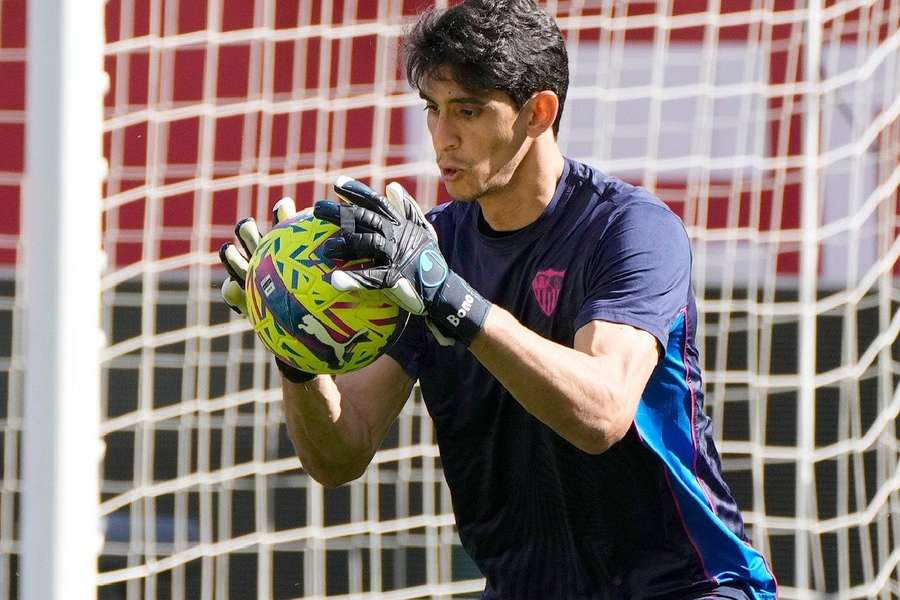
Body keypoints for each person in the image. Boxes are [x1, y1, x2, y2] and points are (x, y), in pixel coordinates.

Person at [220, 1, 778, 598]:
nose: (443, 137)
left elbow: (603, 413)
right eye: (433, 110)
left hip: (686, 585)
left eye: (467, 110)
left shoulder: (631, 230)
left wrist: (451, 300)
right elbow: (340, 453)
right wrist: (298, 350)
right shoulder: (427, 252)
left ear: (538, 113)